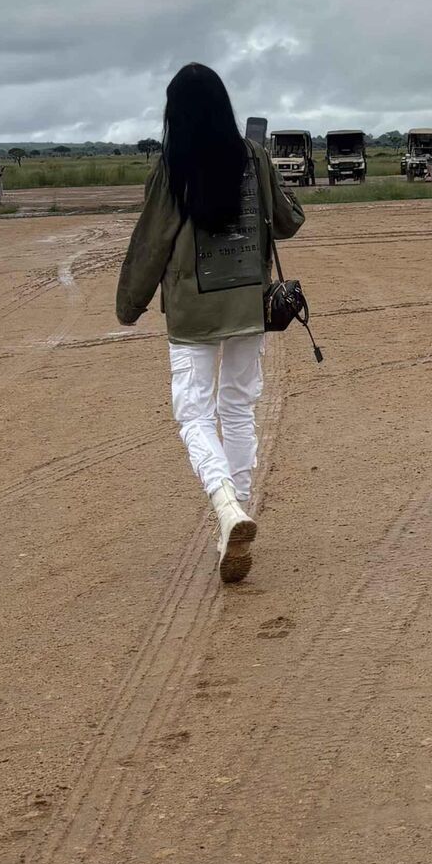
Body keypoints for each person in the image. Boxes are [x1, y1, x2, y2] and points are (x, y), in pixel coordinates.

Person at [116, 63, 305, 582]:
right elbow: (288, 223)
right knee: (239, 409)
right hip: (248, 306)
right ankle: (236, 514)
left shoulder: (171, 167)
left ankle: (227, 510)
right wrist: (273, 178)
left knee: (194, 414)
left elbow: (151, 244)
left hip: (193, 308)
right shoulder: (255, 158)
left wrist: (128, 305)